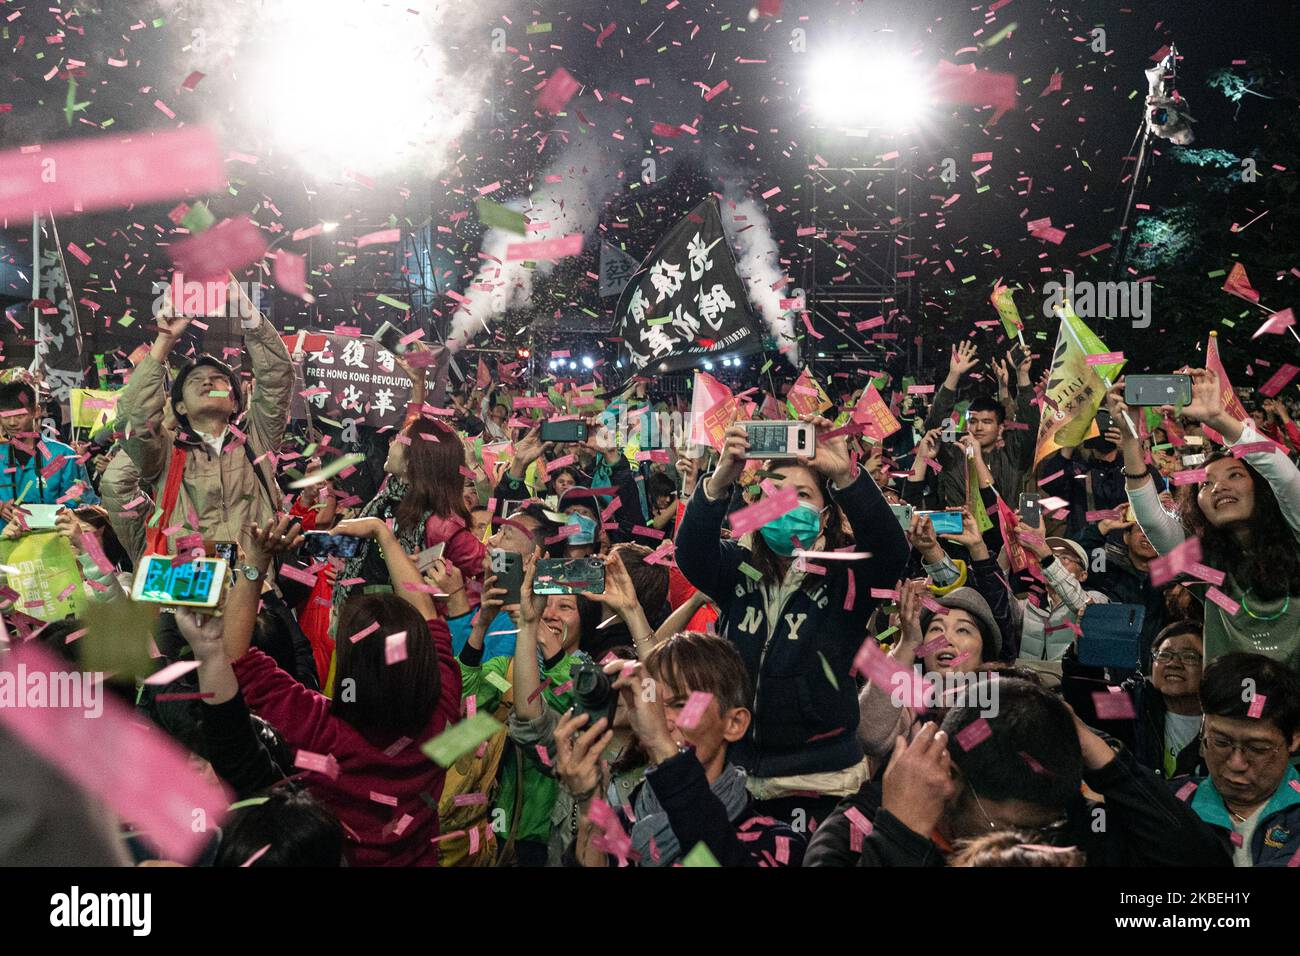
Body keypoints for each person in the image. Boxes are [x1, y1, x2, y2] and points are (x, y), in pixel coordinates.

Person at [676, 413, 910, 824]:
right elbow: (691, 555)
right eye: (775, 492)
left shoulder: (847, 574)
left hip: (823, 781)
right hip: (737, 775)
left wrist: (846, 475)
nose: (786, 504)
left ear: (824, 513)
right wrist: (719, 481)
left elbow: (892, 552)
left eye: (803, 494)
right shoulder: (738, 569)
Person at [213, 514, 461, 865]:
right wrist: (382, 534)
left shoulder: (321, 730)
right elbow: (427, 612)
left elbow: (235, 658)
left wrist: (256, 561)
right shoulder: (443, 711)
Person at [805, 679, 1230, 867]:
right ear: (950, 776)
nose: (1027, 847)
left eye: (1042, 831)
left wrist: (1102, 757)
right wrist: (899, 834)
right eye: (1005, 826)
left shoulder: (1066, 826)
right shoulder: (860, 831)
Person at [557, 632, 805, 867]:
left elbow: (714, 856)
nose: (660, 720)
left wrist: (663, 748)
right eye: (653, 706)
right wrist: (590, 803)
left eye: (680, 704)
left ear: (734, 723)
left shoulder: (774, 843)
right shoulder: (618, 829)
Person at [1111, 369, 1300, 669]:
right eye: (1204, 485)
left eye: (1234, 475)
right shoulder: (1206, 565)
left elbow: (1287, 477)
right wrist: (1130, 440)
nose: (1218, 487)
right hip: (1227, 711)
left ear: (1261, 488)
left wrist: (1218, 419)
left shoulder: (1296, 537)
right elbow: (1153, 521)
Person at [115, 281, 291, 555]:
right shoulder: (166, 452)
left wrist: (244, 306)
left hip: (253, 587)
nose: (207, 383)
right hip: (187, 590)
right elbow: (132, 420)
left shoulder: (257, 441)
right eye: (195, 380)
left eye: (219, 379)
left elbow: (277, 374)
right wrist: (164, 340)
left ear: (234, 403)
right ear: (181, 407)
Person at [331, 414, 486, 630]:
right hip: (364, 627)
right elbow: (374, 556)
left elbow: (490, 570)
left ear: (413, 459)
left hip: (409, 638)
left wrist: (453, 600)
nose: (391, 441)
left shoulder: (441, 525)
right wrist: (338, 561)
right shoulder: (387, 497)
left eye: (400, 438)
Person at [857, 580, 1004, 762]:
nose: (945, 639)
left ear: (985, 651)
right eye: (936, 629)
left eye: (963, 630)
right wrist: (908, 642)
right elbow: (868, 736)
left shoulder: (1002, 703)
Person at [1181, 653, 1300, 866]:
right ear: (1203, 728)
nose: (1236, 764)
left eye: (1257, 748)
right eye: (1221, 742)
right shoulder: (1173, 802)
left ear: (1294, 739)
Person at [922, 342, 1040, 507]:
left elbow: (1031, 424)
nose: (978, 428)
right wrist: (953, 375)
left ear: (1000, 428)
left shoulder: (1013, 455)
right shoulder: (953, 453)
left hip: (1002, 531)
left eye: (987, 422)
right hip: (959, 531)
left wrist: (1022, 375)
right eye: (973, 421)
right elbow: (935, 423)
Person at [0, 380, 97, 530]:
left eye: (20, 415)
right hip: (6, 547)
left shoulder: (65, 456)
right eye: (6, 416)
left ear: (36, 411)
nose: (12, 423)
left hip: (54, 545)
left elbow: (86, 507)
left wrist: (46, 514)